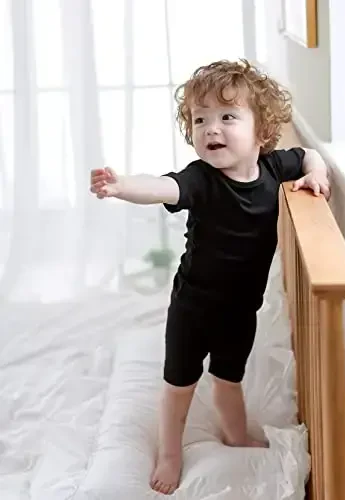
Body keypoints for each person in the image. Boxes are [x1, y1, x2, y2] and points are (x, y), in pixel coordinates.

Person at [90, 59, 330, 495]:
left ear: (261, 132)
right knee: (179, 385)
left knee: (228, 379)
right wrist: (121, 186)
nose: (210, 129)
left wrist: (316, 174)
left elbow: (310, 155)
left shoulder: (274, 169)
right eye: (200, 120)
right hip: (193, 308)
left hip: (241, 310)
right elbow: (161, 187)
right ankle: (170, 452)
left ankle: (235, 435)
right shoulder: (201, 179)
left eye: (227, 117)